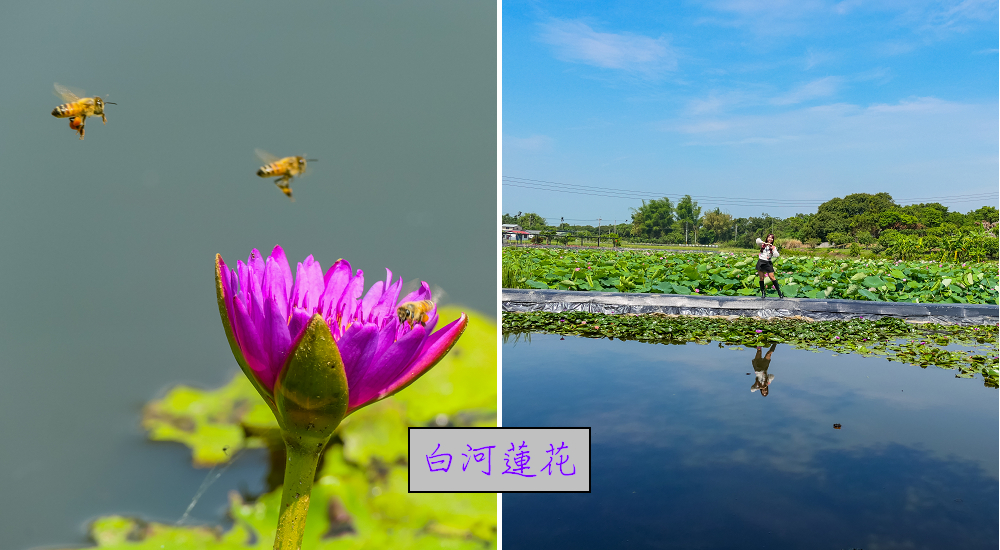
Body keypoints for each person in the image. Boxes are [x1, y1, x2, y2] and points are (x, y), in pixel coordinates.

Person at [754, 233, 784, 298]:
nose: (770, 239)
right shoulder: (762, 244)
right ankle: (763, 293)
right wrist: (764, 243)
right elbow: (757, 240)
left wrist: (773, 250)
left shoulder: (773, 247)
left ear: (773, 239)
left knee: (772, 277)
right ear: (767, 238)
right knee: (761, 278)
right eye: (769, 237)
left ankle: (779, 292)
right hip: (761, 261)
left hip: (768, 263)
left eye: (772, 238)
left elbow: (776, 255)